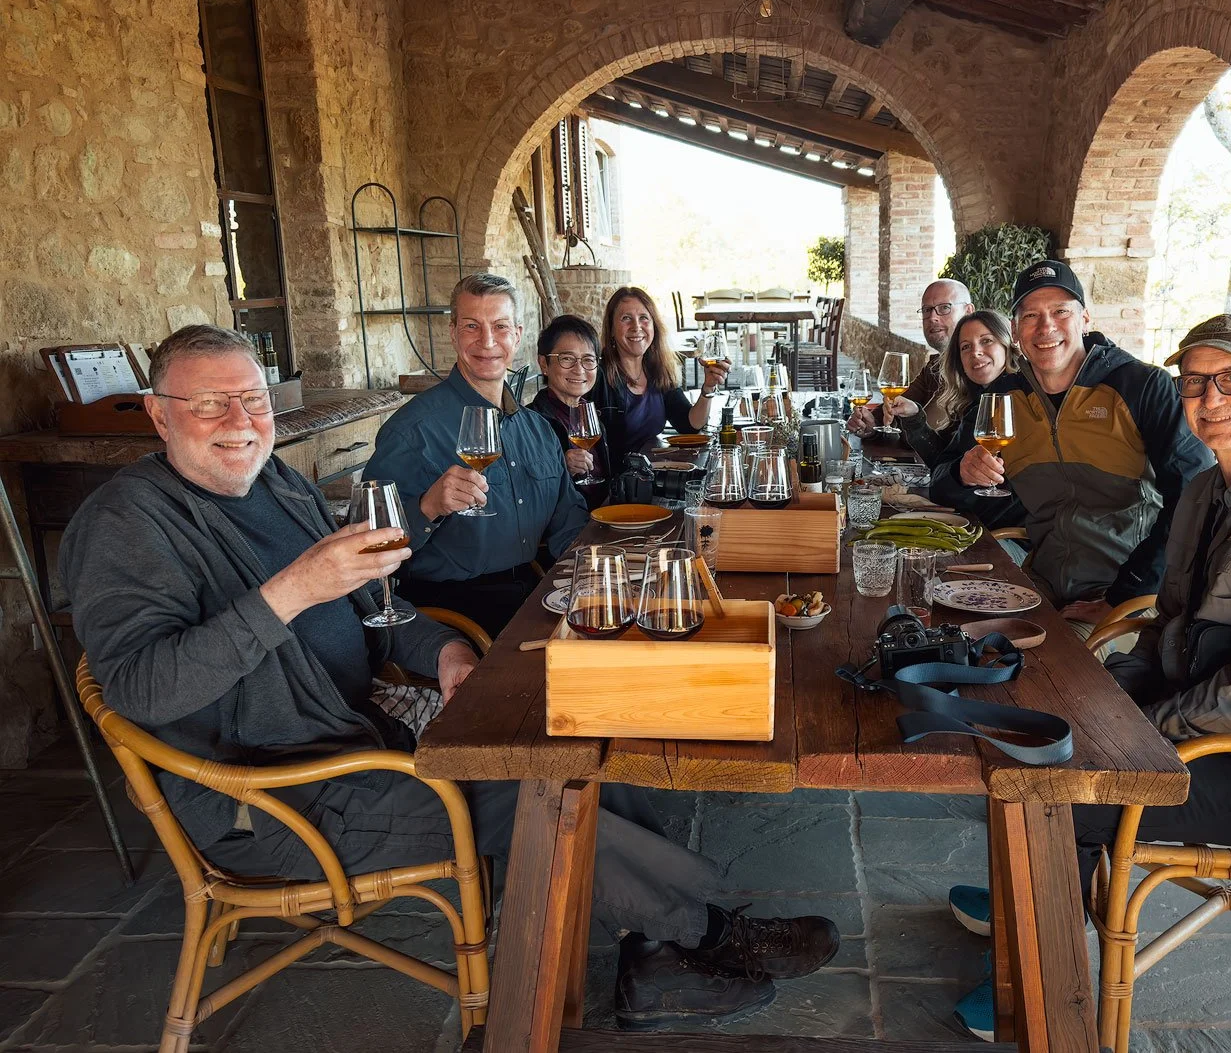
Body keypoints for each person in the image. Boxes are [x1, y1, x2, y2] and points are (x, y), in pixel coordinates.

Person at [59, 324, 840, 1031]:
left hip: (370, 719)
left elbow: (373, 601)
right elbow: (138, 687)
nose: (240, 421)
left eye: (253, 399)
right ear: (159, 416)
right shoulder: (126, 524)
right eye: (210, 404)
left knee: (580, 724)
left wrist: (444, 655)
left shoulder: (275, 484)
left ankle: (660, 948)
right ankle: (705, 934)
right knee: (536, 791)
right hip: (279, 792)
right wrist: (294, 586)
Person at [947, 314, 1231, 1041]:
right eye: (1194, 382)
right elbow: (1174, 623)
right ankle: (1026, 898)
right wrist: (1103, 686)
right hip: (1224, 722)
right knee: (1030, 720)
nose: (1209, 398)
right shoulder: (1207, 487)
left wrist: (1140, 731)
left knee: (1065, 790)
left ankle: (1038, 970)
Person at [929, 259, 1212, 630]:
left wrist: (1122, 596)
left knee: (1041, 675)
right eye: (1031, 316)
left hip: (1123, 595)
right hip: (1038, 582)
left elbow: (1197, 497)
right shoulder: (1003, 397)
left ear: (1085, 319)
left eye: (1060, 311)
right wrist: (963, 474)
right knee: (939, 624)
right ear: (1015, 330)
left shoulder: (1142, 387)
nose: (1046, 327)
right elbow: (939, 481)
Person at [362, 274, 588, 638]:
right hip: (455, 614)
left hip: (535, 594)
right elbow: (369, 546)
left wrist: (610, 564)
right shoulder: (412, 430)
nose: (487, 342)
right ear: (452, 333)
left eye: (499, 327)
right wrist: (427, 506)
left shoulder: (537, 429)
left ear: (517, 334)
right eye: (471, 326)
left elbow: (568, 523)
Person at [593, 287, 730, 470]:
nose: (636, 327)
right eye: (626, 318)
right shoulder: (597, 376)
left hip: (651, 475)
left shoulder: (657, 370)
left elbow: (689, 425)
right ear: (611, 329)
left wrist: (708, 388)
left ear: (653, 327)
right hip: (616, 484)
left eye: (644, 318)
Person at [846, 278, 975, 465]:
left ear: (968, 311)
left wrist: (909, 420)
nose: (933, 317)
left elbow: (922, 436)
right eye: (927, 310)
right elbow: (895, 409)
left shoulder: (974, 370)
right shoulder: (935, 367)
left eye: (944, 308)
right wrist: (871, 426)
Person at [529, 314, 610, 509]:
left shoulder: (589, 412)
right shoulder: (532, 422)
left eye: (588, 360)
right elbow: (524, 491)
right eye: (567, 358)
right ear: (544, 363)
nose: (579, 369)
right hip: (564, 532)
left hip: (603, 518)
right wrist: (561, 467)